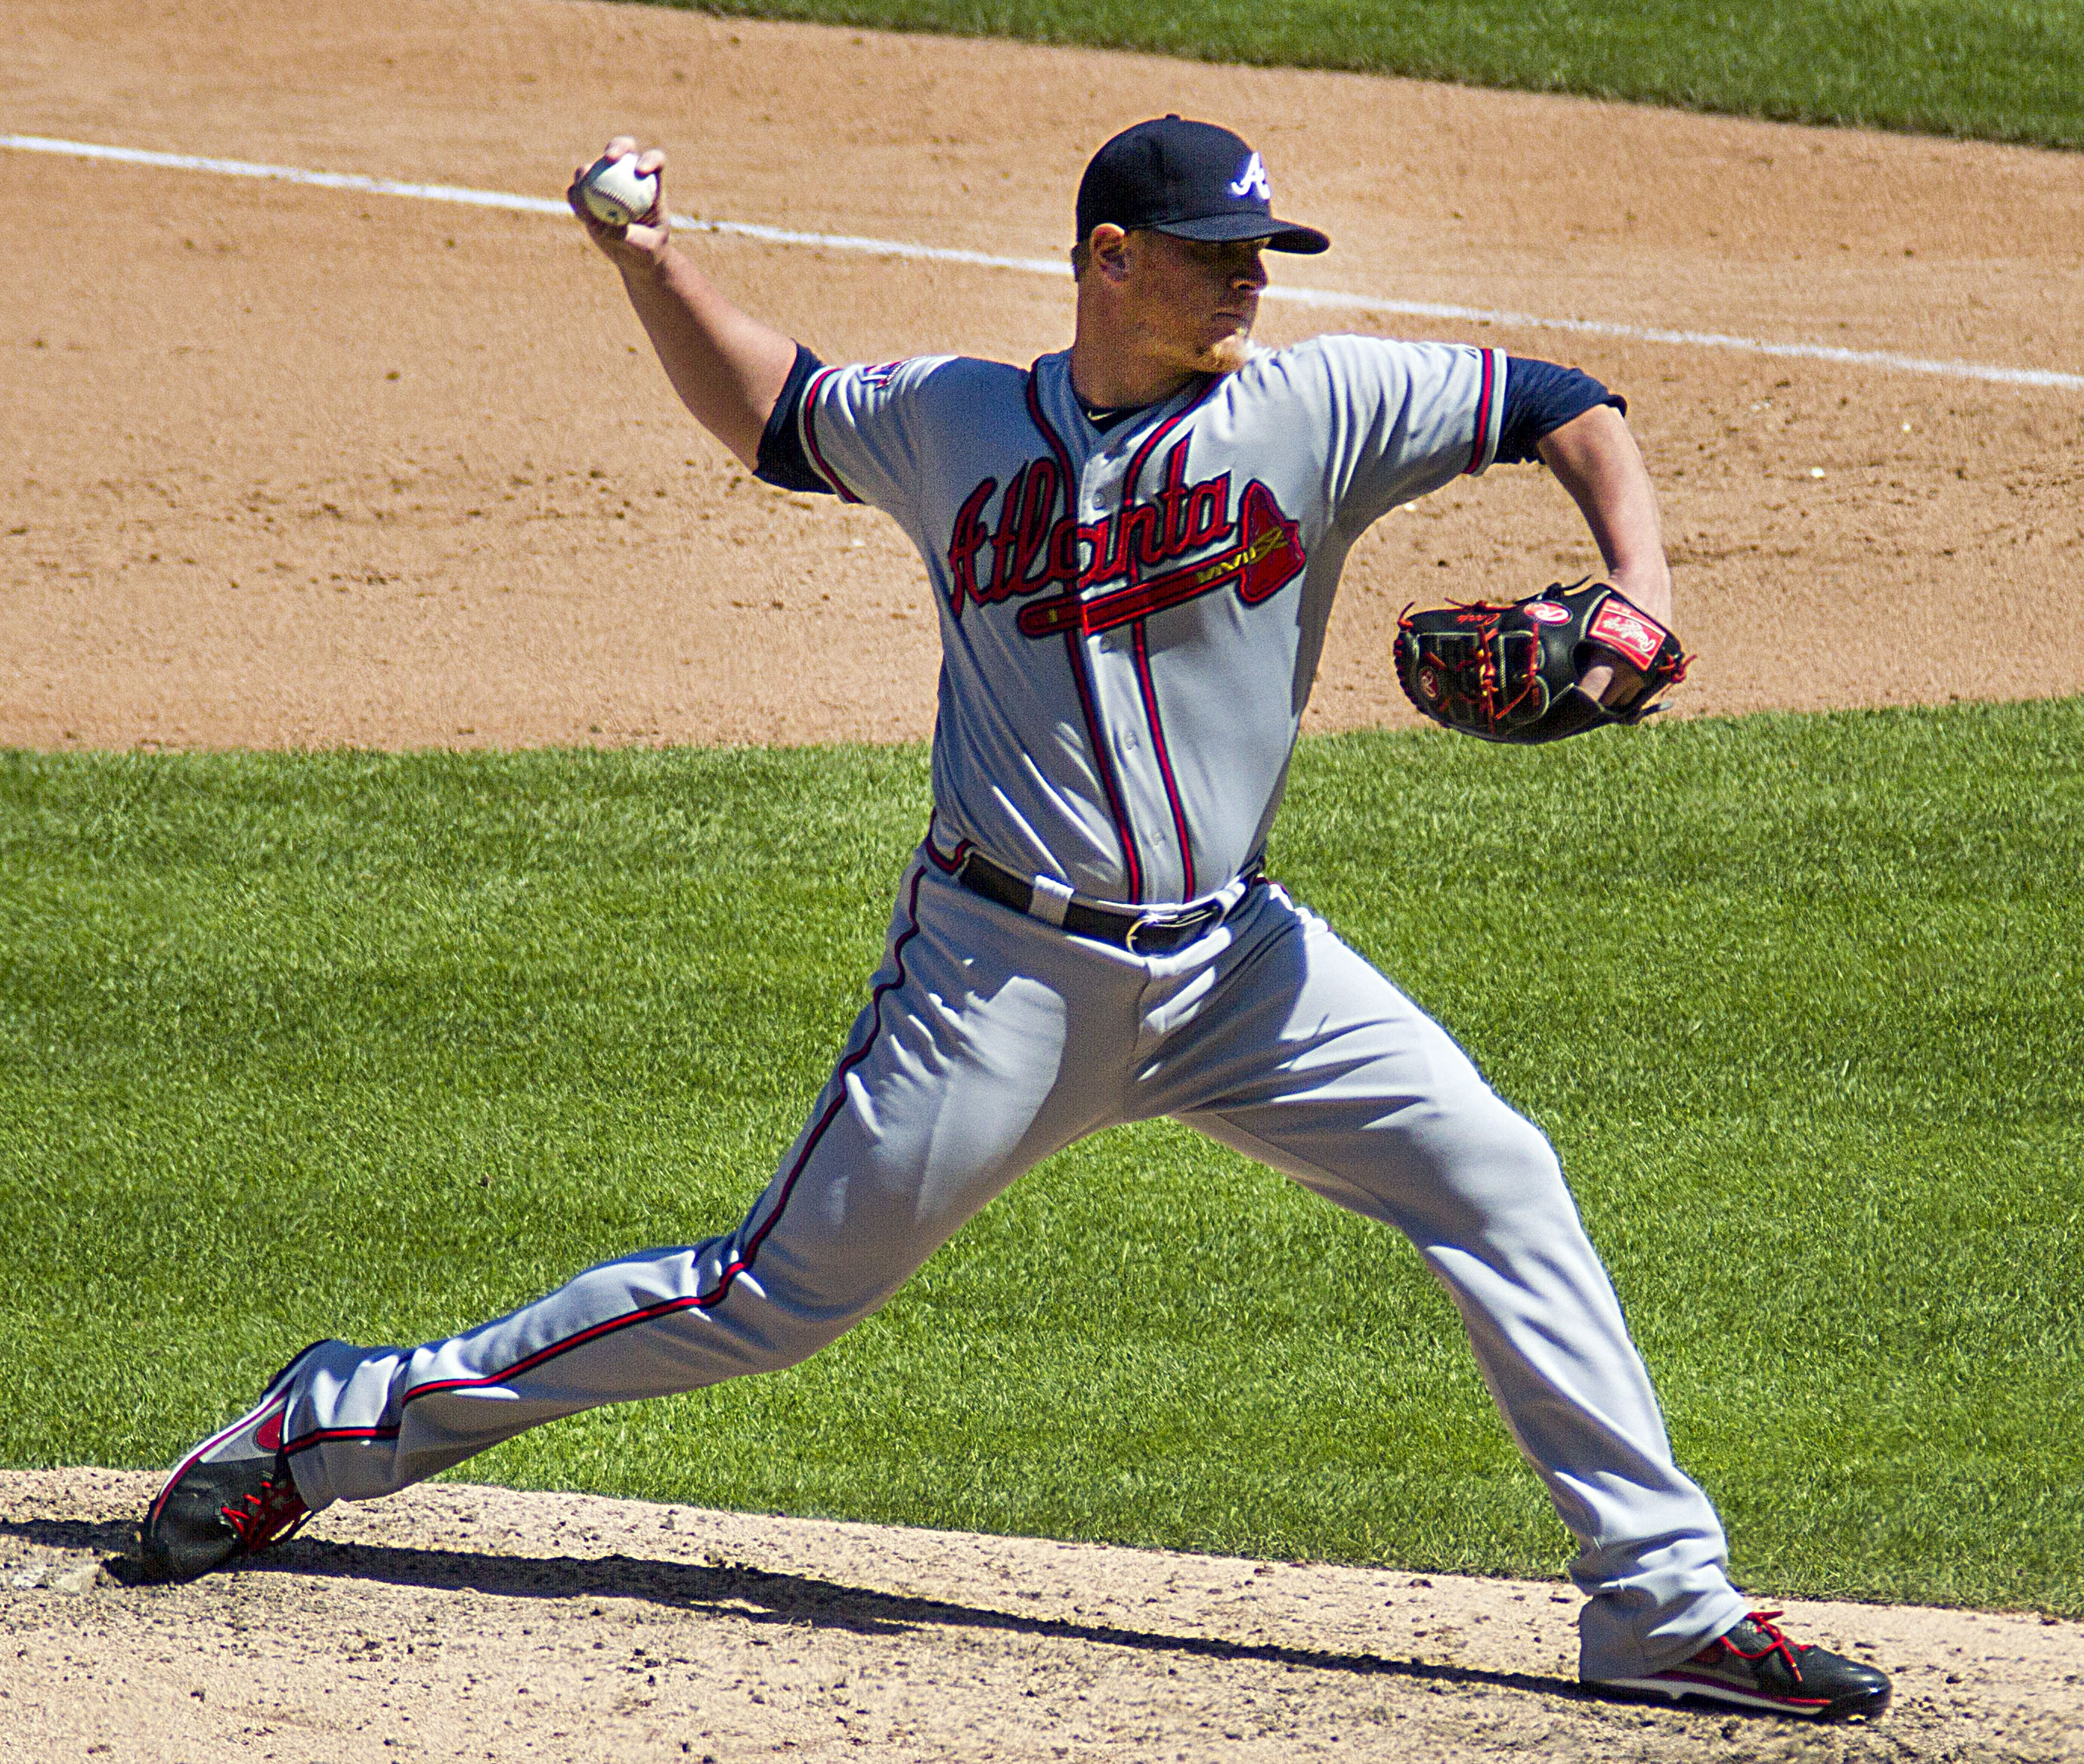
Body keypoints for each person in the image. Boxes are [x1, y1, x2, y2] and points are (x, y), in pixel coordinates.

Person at [140, 116, 1888, 1722]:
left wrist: (1641, 590)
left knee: (1495, 1175)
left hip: (1239, 966)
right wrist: (649, 262)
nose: (1248, 281)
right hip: (998, 977)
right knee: (767, 1299)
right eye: (1214, 253)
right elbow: (775, 411)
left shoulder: (1318, 406)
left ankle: (1659, 1608)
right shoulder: (957, 422)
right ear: (1109, 257)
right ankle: (337, 1420)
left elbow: (1560, 399)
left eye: (1259, 250)